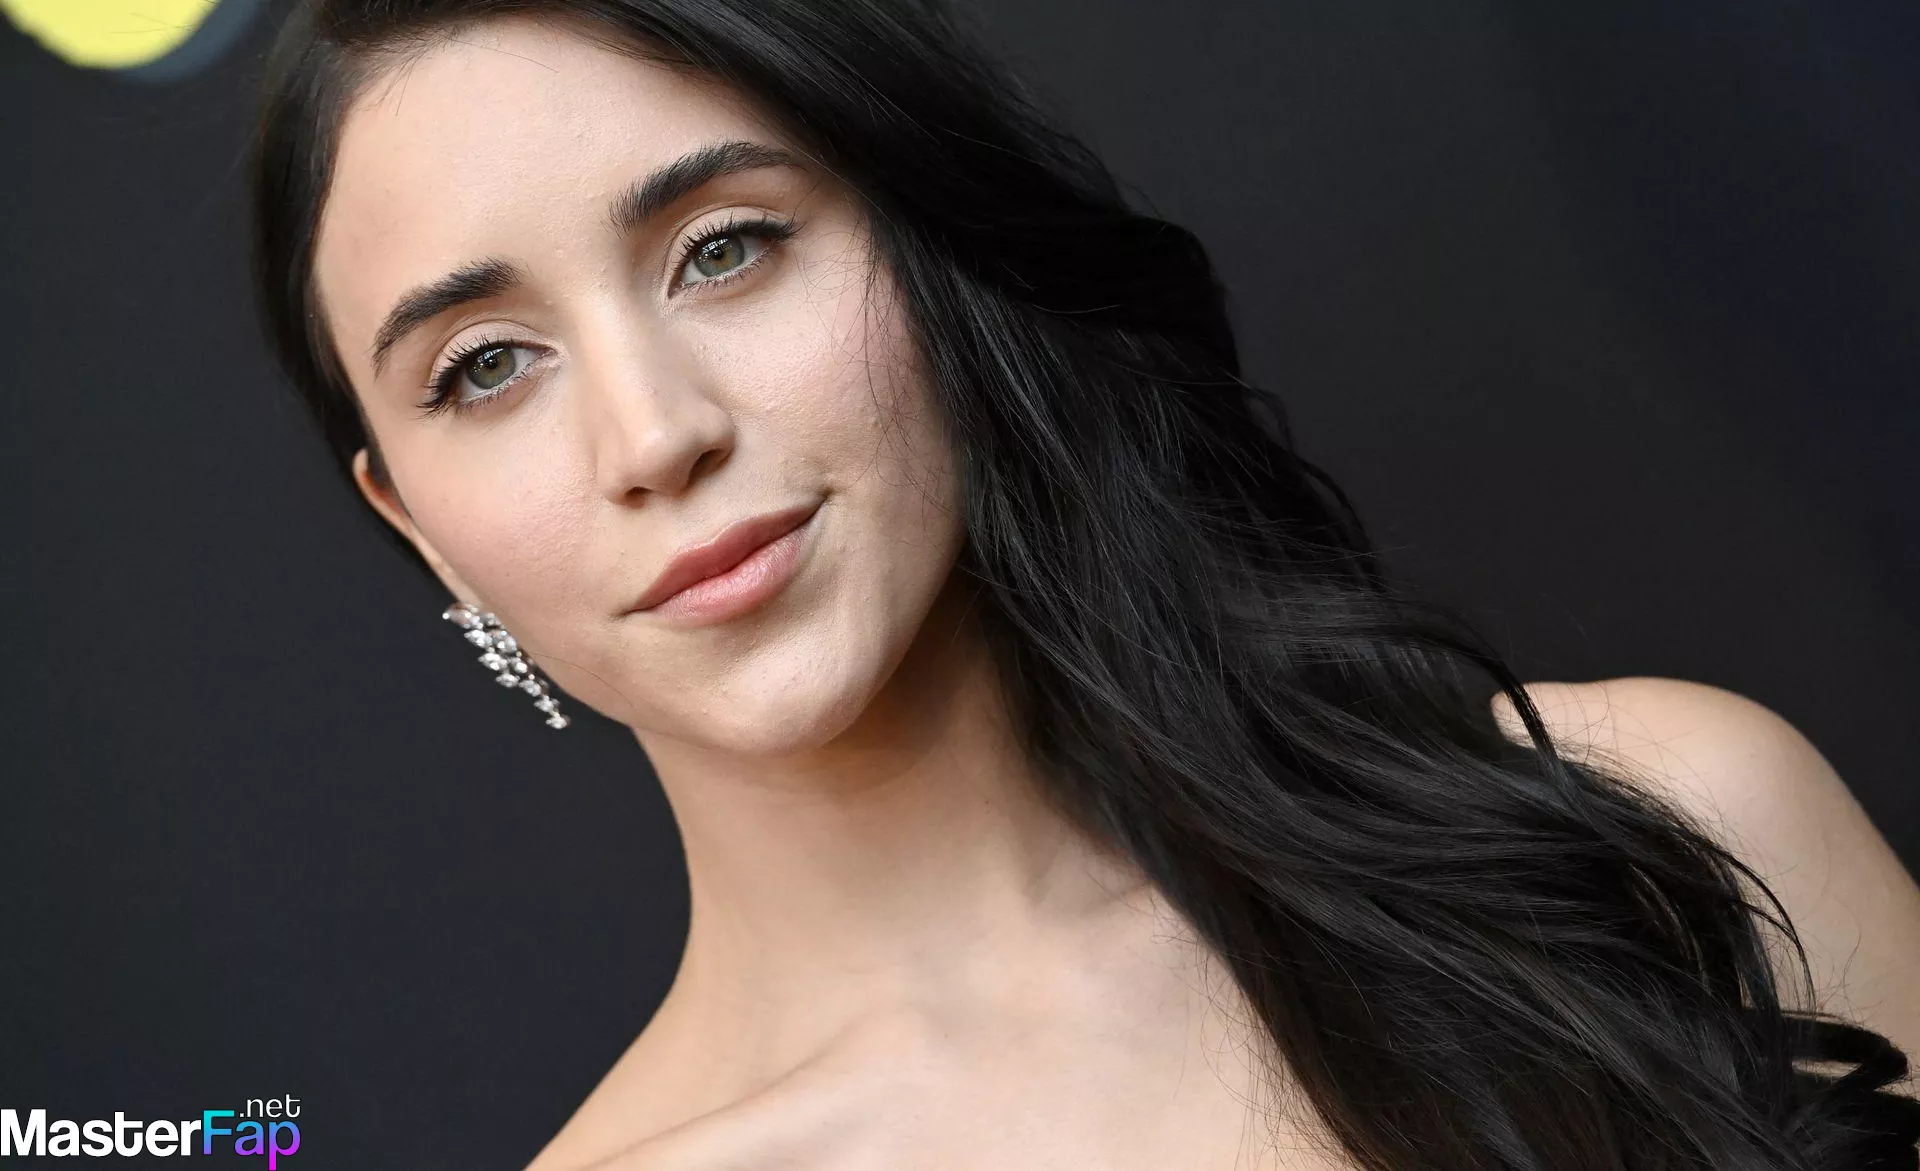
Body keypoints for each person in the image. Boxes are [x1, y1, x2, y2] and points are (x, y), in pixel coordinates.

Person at [245, 1, 1920, 1166]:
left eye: (725, 248)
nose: (656, 433)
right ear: (417, 524)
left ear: (926, 242)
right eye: (484, 367)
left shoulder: (1657, 838)